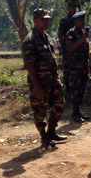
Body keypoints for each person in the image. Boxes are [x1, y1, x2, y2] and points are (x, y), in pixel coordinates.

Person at [22, 8, 66, 149]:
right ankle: (43, 137)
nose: (46, 22)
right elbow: (29, 65)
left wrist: (57, 79)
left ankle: (52, 131)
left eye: (47, 19)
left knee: (59, 104)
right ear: (35, 20)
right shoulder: (30, 40)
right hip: (40, 83)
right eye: (43, 20)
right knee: (40, 111)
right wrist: (36, 87)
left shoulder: (45, 37)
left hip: (52, 80)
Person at [65, 11, 91, 123]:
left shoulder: (83, 34)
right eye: (79, 20)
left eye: (83, 20)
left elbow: (86, 53)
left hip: (83, 68)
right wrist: (82, 39)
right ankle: (74, 113)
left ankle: (78, 112)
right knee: (75, 91)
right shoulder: (71, 33)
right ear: (75, 21)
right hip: (74, 68)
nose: (82, 22)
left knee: (82, 91)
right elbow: (69, 48)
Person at [57, 1, 77, 93]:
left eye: (74, 7)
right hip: (67, 47)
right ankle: (67, 88)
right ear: (68, 9)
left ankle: (75, 86)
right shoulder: (64, 21)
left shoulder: (77, 20)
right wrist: (62, 46)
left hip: (77, 48)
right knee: (66, 67)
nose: (73, 9)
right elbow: (60, 34)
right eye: (72, 7)